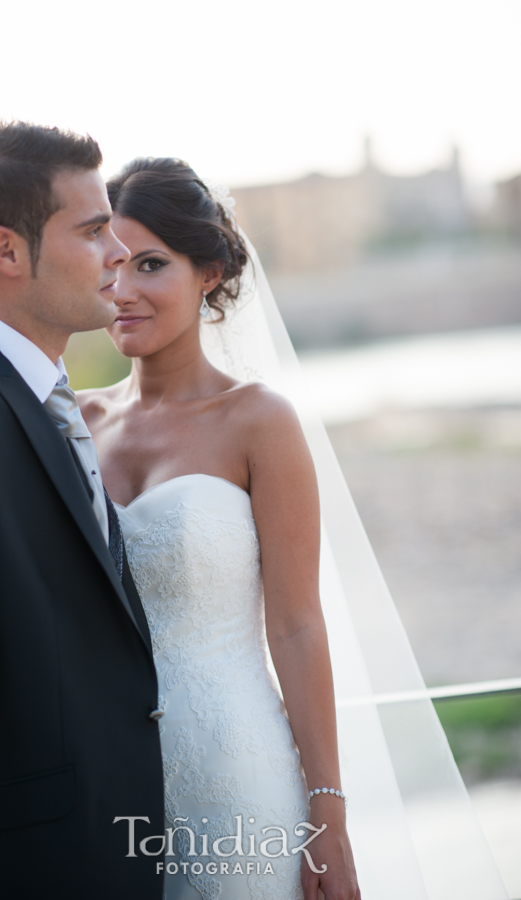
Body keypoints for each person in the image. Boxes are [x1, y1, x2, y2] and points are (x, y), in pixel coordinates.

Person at [78, 157, 361, 900]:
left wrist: (325, 810)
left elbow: (297, 625)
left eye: (150, 264)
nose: (121, 289)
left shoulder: (259, 421)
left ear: (207, 273)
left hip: (233, 774)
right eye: (110, 262)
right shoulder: (73, 422)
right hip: (102, 783)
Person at [0, 124, 164, 900]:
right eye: (93, 230)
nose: (119, 252)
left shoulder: (49, 400)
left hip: (113, 844)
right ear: (6, 251)